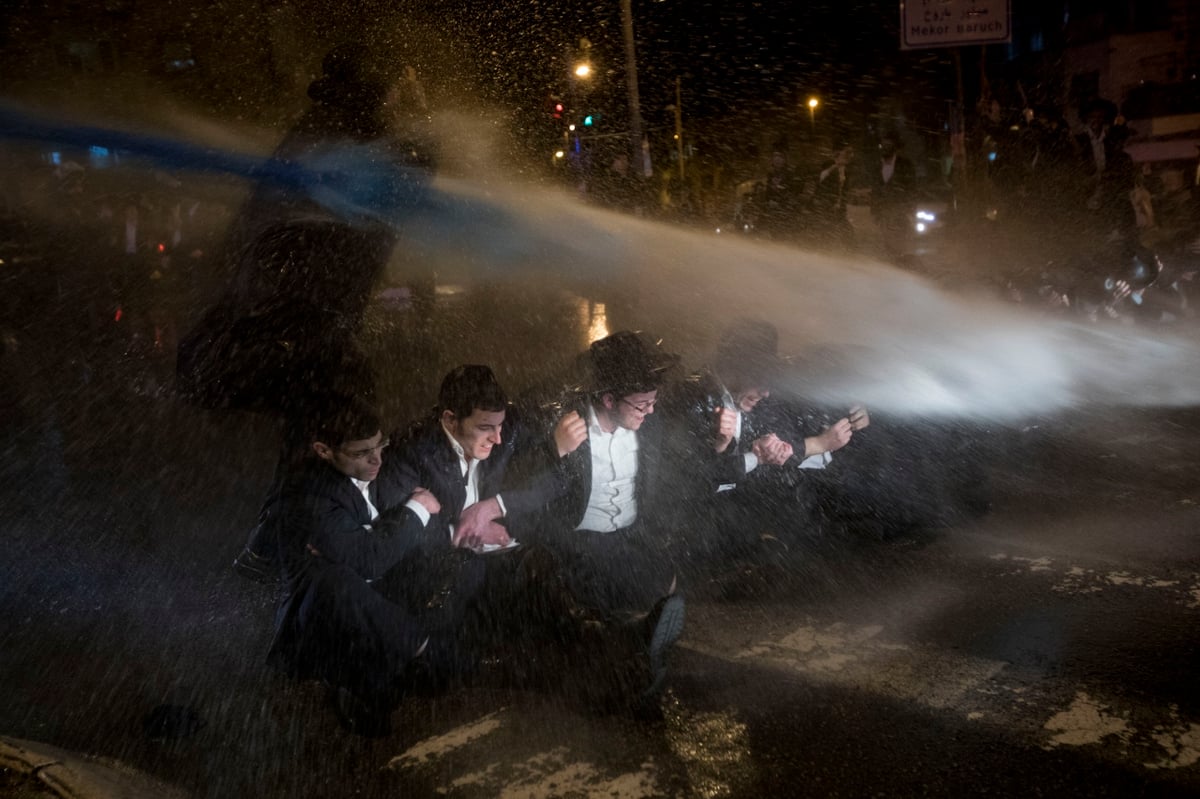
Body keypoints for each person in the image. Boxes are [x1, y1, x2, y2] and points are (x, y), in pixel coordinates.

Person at [175, 42, 437, 581]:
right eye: (397, 87)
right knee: (334, 424)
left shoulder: (323, 133)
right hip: (271, 340)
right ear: (378, 92)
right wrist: (421, 112)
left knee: (328, 423)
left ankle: (283, 545)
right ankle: (289, 549)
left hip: (272, 338)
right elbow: (419, 168)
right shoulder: (347, 136)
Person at [500, 331, 687, 704]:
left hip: (629, 539)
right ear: (607, 398)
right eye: (641, 404)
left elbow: (662, 485)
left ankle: (628, 640)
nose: (650, 411)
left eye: (653, 402)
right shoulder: (565, 423)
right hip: (577, 543)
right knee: (585, 605)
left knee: (663, 581)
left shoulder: (651, 426)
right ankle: (623, 649)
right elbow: (512, 481)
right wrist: (554, 449)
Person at [267, 397, 449, 737]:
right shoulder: (309, 495)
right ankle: (415, 653)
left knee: (439, 558)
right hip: (323, 610)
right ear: (324, 451)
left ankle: (395, 669)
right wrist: (416, 507)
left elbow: (380, 546)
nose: (376, 459)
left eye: (380, 445)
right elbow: (370, 557)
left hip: (370, 585)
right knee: (340, 580)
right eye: (362, 452)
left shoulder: (378, 465)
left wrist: (383, 533)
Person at [668, 319, 866, 578]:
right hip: (698, 518)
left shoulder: (757, 398)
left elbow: (789, 438)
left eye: (769, 379)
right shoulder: (690, 398)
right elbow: (689, 481)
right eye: (760, 378)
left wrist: (852, 419)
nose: (766, 392)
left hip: (746, 506)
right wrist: (725, 448)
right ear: (735, 368)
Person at [868, 130, 916, 258]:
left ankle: (900, 264)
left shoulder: (905, 165)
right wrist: (875, 212)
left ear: (895, 147)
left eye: (888, 146)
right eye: (882, 146)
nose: (884, 148)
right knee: (886, 245)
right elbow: (875, 190)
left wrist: (908, 209)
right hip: (884, 214)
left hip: (900, 213)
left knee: (900, 244)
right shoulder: (876, 167)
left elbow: (912, 189)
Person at [805, 141, 856, 250]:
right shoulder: (828, 165)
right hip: (823, 207)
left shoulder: (847, 171)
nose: (851, 156)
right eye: (847, 153)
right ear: (838, 153)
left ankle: (847, 254)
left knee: (847, 233)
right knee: (824, 233)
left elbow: (843, 193)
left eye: (852, 153)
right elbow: (820, 178)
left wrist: (841, 206)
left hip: (837, 210)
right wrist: (835, 165)